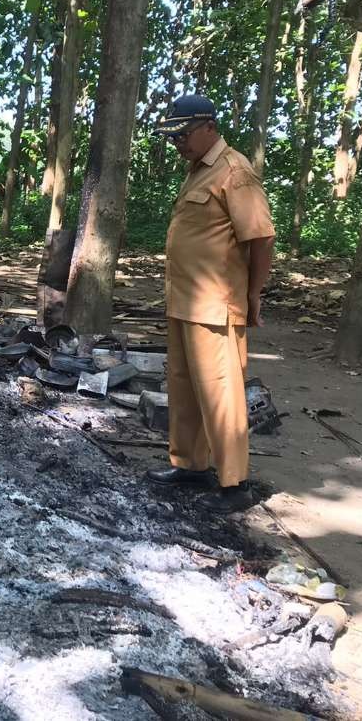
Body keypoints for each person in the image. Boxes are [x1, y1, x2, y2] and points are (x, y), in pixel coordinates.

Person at [146, 94, 275, 513]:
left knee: (222, 392)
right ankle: (190, 466)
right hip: (184, 300)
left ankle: (234, 484)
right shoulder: (197, 170)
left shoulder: (234, 172)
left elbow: (260, 237)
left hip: (215, 304)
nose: (176, 143)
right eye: (172, 137)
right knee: (184, 389)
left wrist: (253, 294)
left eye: (182, 135)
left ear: (209, 128)